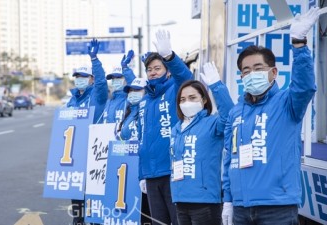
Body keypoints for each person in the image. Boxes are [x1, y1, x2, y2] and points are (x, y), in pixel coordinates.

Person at [221, 7, 321, 225]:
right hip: (241, 207)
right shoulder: (236, 112)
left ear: (273, 72)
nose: (251, 74)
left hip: (277, 208)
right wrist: (228, 199)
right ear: (241, 77)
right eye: (246, 71)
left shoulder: (287, 103)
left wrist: (299, 44)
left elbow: (304, 87)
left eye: (258, 68)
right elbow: (230, 158)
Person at [137, 29, 193, 225]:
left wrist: (169, 57)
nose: (152, 72)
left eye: (157, 68)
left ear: (167, 71)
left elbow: (186, 78)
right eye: (149, 69)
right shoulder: (144, 101)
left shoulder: (175, 91)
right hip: (151, 176)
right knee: (158, 223)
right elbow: (142, 140)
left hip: (172, 172)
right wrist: (141, 174)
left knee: (178, 221)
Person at [169, 62, 234, 225]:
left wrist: (216, 87)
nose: (186, 103)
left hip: (205, 202)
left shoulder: (212, 123)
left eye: (192, 98)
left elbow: (230, 116)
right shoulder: (177, 128)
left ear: (204, 100)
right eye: (182, 99)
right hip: (180, 200)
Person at [66, 38, 108, 225]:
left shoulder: (97, 96)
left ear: (91, 79)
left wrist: (94, 60)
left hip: (94, 156)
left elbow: (101, 83)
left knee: (93, 200)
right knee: (77, 203)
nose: (79, 79)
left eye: (84, 76)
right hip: (75, 156)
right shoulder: (72, 100)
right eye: (77, 76)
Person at [115, 77, 152, 225]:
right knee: (132, 212)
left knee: (147, 213)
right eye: (130, 90)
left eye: (137, 90)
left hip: (145, 169)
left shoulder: (149, 110)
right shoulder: (129, 113)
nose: (132, 93)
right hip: (128, 170)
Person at [101, 50, 136, 124]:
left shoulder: (130, 99)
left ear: (126, 79)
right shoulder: (109, 101)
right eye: (113, 78)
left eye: (118, 78)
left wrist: (125, 69)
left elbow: (134, 85)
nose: (115, 80)